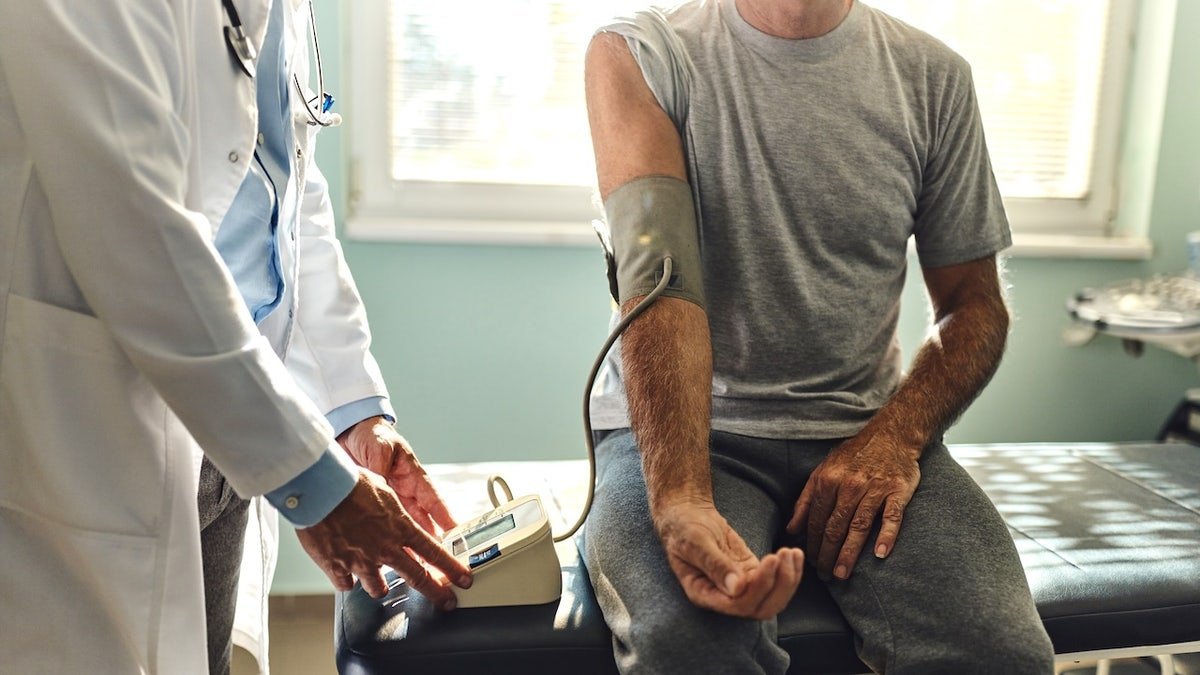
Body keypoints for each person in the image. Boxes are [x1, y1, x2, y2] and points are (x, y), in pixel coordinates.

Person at [580, 0, 1055, 673]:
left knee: (1000, 653)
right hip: (685, 435)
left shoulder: (933, 77)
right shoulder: (641, 55)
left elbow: (974, 308)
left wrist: (893, 439)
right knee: (690, 647)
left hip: (861, 431)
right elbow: (662, 283)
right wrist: (681, 494)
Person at [0, 1, 470, 673]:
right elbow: (134, 228)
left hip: (232, 432)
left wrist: (349, 409)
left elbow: (283, 183)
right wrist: (308, 472)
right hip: (90, 416)